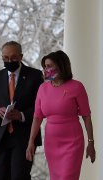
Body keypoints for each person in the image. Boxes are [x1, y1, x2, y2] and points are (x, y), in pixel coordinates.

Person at [26, 50, 96, 180]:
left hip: (72, 142)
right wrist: (31, 142)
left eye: (49, 66)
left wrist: (91, 143)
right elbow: (37, 117)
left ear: (61, 66)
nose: (46, 70)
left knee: (67, 177)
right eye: (45, 66)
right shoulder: (43, 88)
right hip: (52, 143)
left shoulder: (77, 87)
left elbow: (86, 116)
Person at [0, 41, 43, 180]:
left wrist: (22, 115)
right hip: (0, 138)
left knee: (20, 176)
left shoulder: (35, 76)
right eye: (5, 58)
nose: (9, 61)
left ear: (21, 56)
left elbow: (41, 107)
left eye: (13, 57)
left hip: (24, 137)